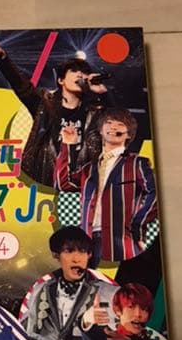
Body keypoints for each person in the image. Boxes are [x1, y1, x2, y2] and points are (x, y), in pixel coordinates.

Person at [0, 33, 113, 187]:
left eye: (84, 72)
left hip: (80, 184)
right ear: (61, 80)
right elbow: (21, 85)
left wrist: (102, 94)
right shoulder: (44, 103)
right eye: (73, 71)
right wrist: (1, 57)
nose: (80, 74)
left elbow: (118, 124)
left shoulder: (94, 111)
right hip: (44, 179)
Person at [20, 226, 117, 340]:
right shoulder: (40, 290)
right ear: (56, 255)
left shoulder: (108, 293)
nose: (76, 258)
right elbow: (29, 333)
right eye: (68, 251)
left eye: (82, 251)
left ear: (89, 255)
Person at [55, 107, 158, 264]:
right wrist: (67, 145)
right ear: (101, 131)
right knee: (90, 280)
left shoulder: (136, 163)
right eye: (109, 123)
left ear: (128, 134)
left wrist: (138, 223)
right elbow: (63, 183)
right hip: (88, 242)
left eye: (120, 124)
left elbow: (155, 194)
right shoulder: (90, 168)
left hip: (121, 239)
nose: (113, 127)